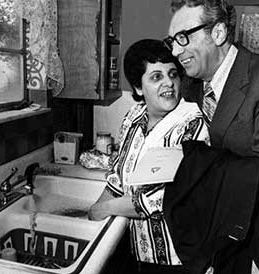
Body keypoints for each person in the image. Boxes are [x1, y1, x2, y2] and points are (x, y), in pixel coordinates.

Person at [163, 0, 259, 274]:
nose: (175, 51)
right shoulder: (193, 88)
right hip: (223, 242)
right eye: (172, 41)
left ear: (218, 34)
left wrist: (192, 164)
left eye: (183, 38)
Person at [88, 39, 209, 274]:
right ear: (138, 88)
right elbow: (117, 175)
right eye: (156, 77)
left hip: (179, 261)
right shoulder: (133, 118)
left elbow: (167, 198)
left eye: (172, 74)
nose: (169, 83)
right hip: (141, 253)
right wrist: (94, 211)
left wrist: (106, 208)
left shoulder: (192, 124)